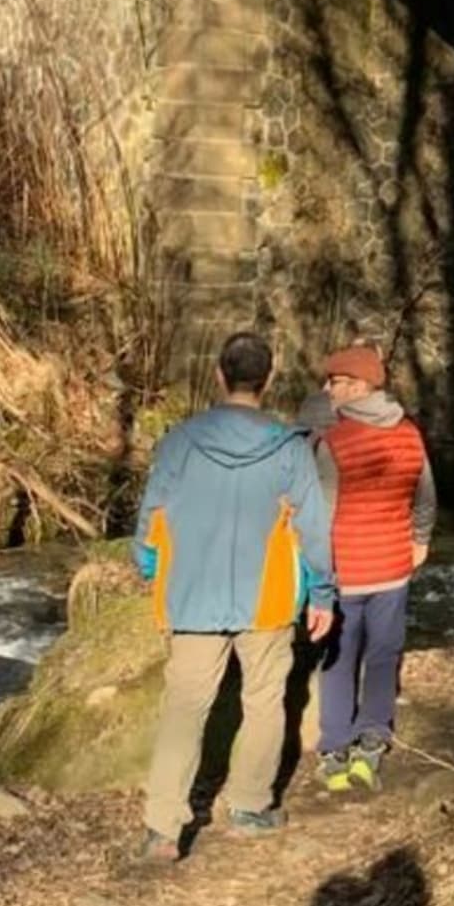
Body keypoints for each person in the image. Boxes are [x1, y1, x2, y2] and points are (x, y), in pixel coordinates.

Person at [134, 331, 336, 862]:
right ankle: (248, 806)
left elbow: (152, 517)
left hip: (192, 595)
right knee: (266, 701)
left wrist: (150, 567)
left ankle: (162, 828)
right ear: (267, 380)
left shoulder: (179, 440)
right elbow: (314, 529)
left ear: (220, 376)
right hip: (267, 600)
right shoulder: (290, 447)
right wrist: (323, 594)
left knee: (183, 708)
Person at [307, 342, 436, 792]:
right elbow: (425, 497)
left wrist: (315, 576)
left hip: (347, 570)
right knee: (383, 655)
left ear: (360, 386)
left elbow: (319, 516)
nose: (329, 389)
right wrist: (419, 540)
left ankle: (334, 747)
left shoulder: (333, 441)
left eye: (336, 381)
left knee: (339, 659)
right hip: (394, 568)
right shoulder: (410, 434)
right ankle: (373, 740)